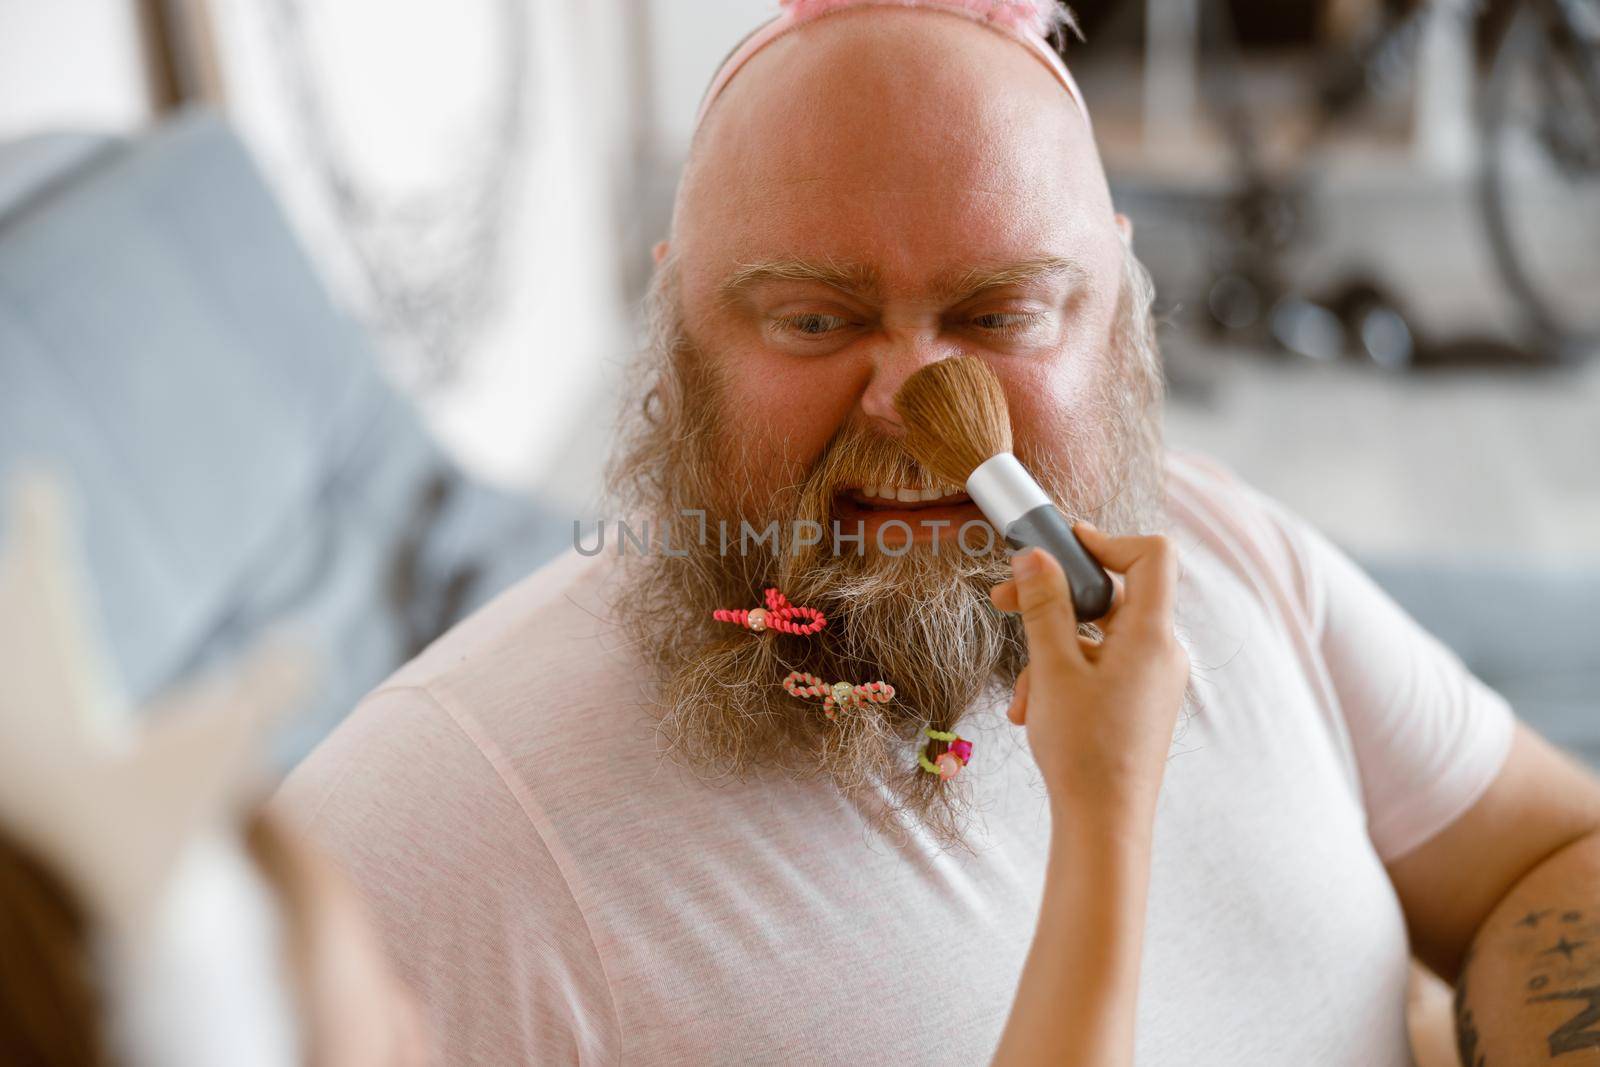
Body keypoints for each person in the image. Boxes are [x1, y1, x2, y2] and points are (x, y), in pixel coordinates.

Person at [276, 1, 1600, 1063]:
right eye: (812, 319)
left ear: (1123, 308)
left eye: (1000, 314)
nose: (910, 402)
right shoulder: (431, 834)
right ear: (677, 332)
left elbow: (1555, 848)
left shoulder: (1221, 543)